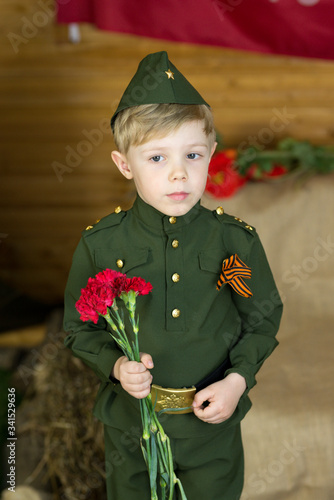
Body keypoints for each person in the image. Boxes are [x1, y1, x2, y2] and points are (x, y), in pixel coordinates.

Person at [63, 51, 283, 500]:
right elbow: (78, 328)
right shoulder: (101, 245)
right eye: (157, 157)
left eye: (193, 154)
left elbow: (262, 317)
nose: (179, 172)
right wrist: (117, 366)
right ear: (125, 165)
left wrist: (237, 380)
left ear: (211, 157)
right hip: (131, 429)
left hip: (211, 428)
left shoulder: (234, 240)